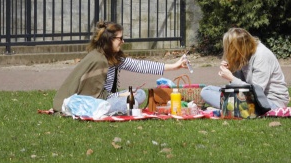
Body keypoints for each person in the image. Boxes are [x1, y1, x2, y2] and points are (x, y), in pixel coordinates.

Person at [53, 21, 189, 113]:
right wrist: (122, 95)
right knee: (128, 102)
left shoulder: (113, 57)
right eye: (120, 38)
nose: (123, 42)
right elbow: (94, 97)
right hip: (92, 102)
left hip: (107, 98)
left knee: (139, 93)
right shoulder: (99, 60)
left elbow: (140, 65)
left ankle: (127, 105)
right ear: (109, 40)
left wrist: (174, 66)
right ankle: (125, 106)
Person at [200, 27, 290, 110]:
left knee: (216, 95)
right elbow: (240, 86)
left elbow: (256, 92)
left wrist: (231, 78)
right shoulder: (244, 54)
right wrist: (232, 69)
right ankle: (231, 106)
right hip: (249, 97)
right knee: (206, 91)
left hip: (270, 102)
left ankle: (231, 107)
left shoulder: (262, 56)